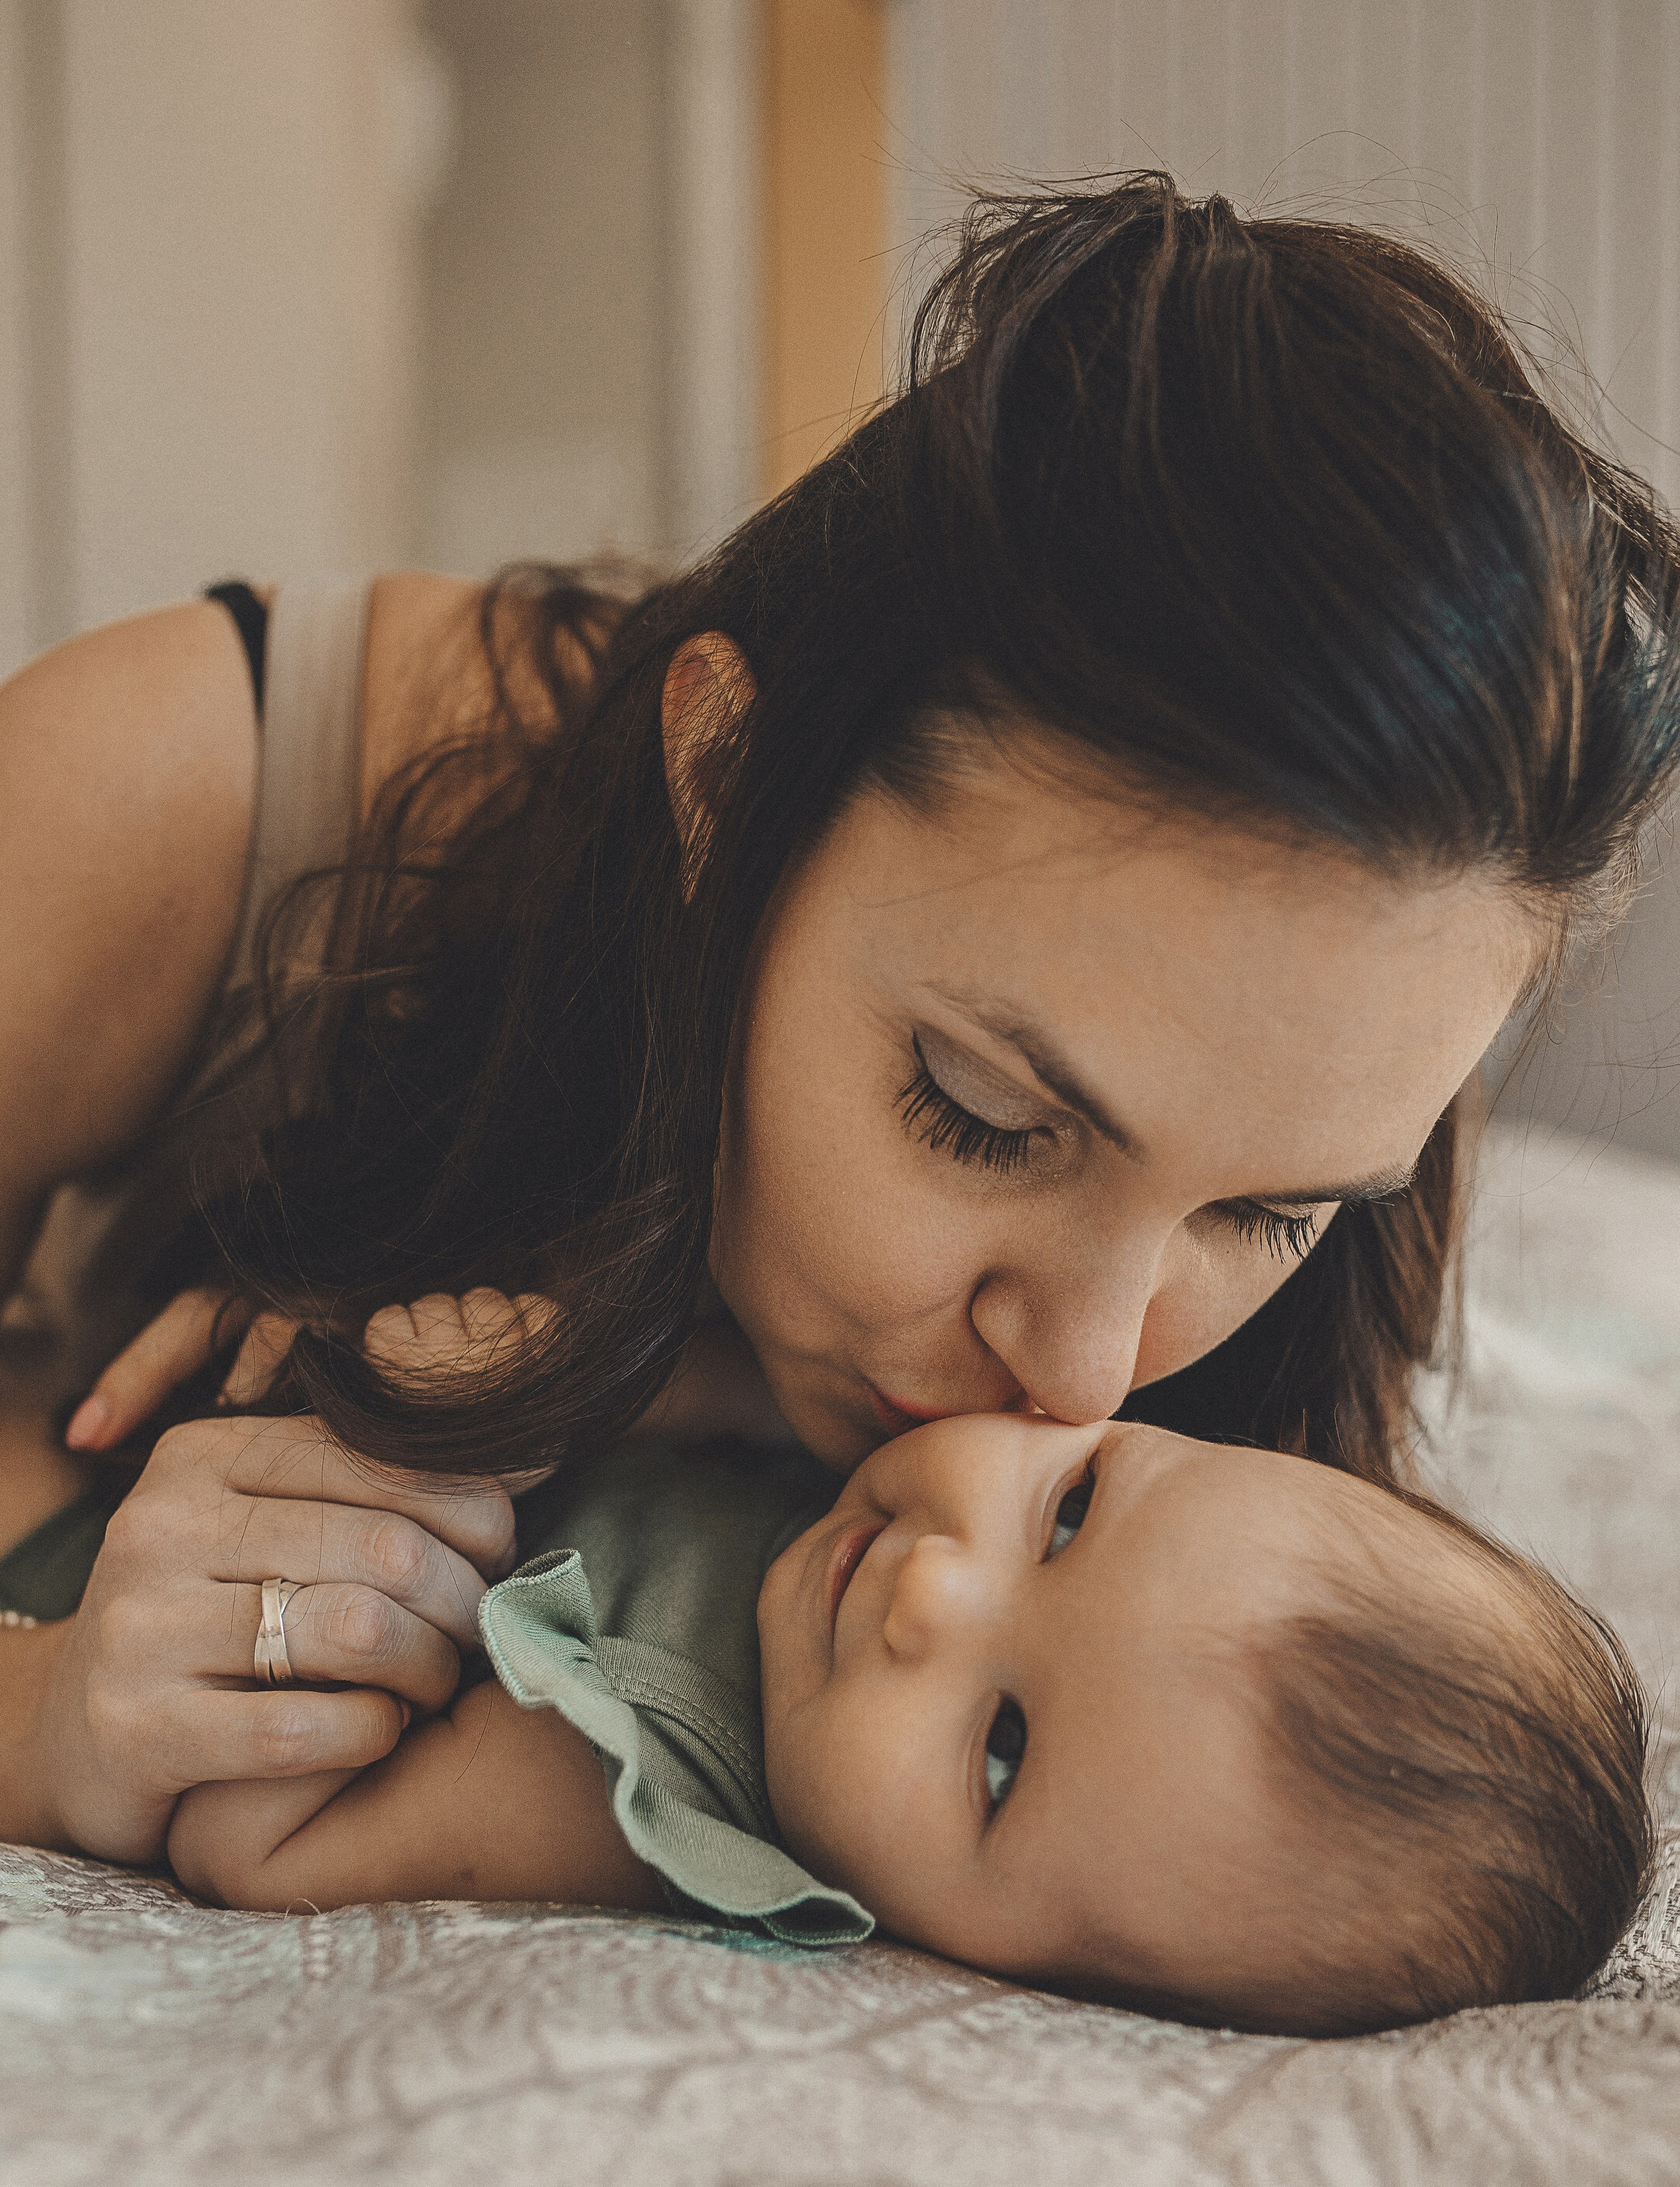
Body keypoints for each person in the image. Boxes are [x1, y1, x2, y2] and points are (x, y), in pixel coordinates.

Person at [3, 176, 1679, 1871]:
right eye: (981, 1108)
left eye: (1269, 1214)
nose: (1085, 1374)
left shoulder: (1318, 1008)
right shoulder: (162, 798)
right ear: (724, 776)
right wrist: (45, 1712)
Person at [167, 1295, 1651, 2039]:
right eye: (1070, 1509)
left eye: (1000, 1751)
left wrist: (428, 1486)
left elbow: (258, 1839)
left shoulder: (639, 1783)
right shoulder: (841, 1481)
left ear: (1014, 1976)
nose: (935, 1583)